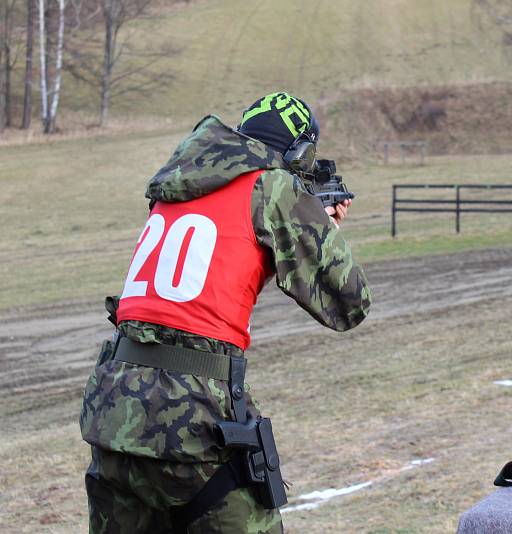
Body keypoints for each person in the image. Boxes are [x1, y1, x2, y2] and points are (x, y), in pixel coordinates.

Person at [79, 92, 371, 533]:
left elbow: (211, 280)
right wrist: (319, 227)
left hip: (112, 409)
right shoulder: (273, 187)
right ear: (297, 152)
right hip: (192, 419)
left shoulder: (174, 187)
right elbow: (349, 302)